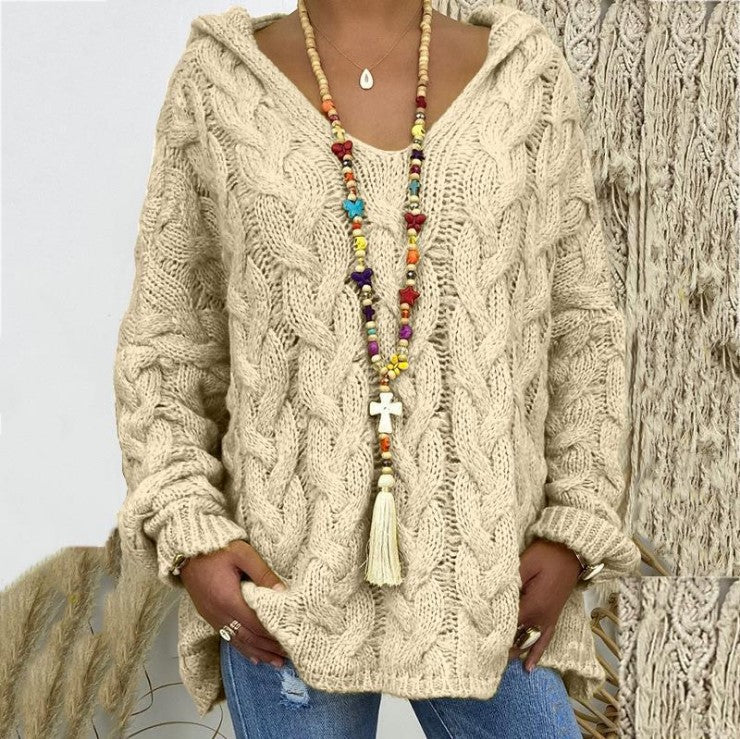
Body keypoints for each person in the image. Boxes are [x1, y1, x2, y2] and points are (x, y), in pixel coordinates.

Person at [112, 0, 640, 736]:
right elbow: (168, 343)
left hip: (489, 581)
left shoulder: (525, 76)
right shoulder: (219, 82)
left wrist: (573, 527)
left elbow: (583, 329)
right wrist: (190, 532)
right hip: (285, 590)